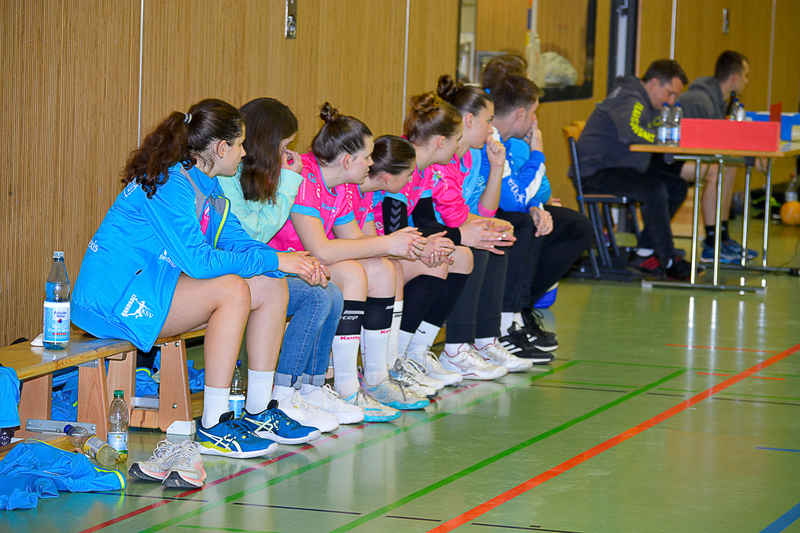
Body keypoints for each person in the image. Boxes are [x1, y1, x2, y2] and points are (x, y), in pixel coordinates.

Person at [71, 99, 328, 458]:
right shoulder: (170, 184)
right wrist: (274, 258)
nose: (243, 153)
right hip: (110, 301)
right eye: (240, 145)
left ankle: (258, 411)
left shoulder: (210, 186)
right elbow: (199, 262)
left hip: (154, 285)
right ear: (221, 148)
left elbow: (236, 241)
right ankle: (214, 424)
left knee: (271, 284)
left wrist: (286, 263)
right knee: (232, 289)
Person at [270, 103, 431, 414]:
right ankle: (346, 388)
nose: (371, 163)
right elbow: (322, 250)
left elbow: (355, 240)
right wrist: (388, 242)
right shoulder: (306, 177)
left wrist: (396, 246)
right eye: (367, 157)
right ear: (347, 161)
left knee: (382, 269)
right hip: (282, 265)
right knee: (355, 273)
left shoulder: (342, 185)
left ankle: (377, 378)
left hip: (309, 263)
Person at [218, 97, 349, 434]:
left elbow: (258, 228)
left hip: (248, 270)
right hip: (227, 277)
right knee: (315, 296)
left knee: (331, 292)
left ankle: (310, 388)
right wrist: (290, 182)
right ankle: (282, 395)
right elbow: (253, 233)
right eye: (283, 145)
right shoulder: (225, 177)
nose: (286, 153)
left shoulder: (249, 173)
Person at [379, 90, 513, 381]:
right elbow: (393, 229)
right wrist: (458, 236)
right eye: (456, 140)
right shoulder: (403, 166)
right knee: (441, 260)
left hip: (396, 243)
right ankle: (396, 359)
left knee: (460, 256)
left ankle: (417, 352)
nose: (457, 148)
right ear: (441, 142)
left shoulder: (425, 170)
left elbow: (426, 221)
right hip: (379, 247)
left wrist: (456, 238)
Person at [412, 74, 537, 372]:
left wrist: (497, 168)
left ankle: (486, 340)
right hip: (430, 229)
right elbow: (453, 217)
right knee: (481, 245)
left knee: (495, 237)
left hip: (451, 226)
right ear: (469, 120)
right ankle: (457, 346)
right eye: (488, 120)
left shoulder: (473, 157)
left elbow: (485, 210)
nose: (492, 128)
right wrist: (485, 227)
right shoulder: (445, 160)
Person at [479, 57, 590, 355]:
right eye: (534, 112)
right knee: (522, 223)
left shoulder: (504, 137)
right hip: (473, 216)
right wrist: (538, 153)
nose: (536, 120)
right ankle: (507, 320)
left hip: (506, 207)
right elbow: (516, 197)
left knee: (562, 224)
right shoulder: (493, 139)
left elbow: (533, 191)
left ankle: (518, 312)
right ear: (520, 113)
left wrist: (535, 205)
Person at [574, 59, 697, 280]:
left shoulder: (647, 102)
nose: (671, 101)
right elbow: (630, 131)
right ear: (654, 83)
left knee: (676, 186)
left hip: (618, 166)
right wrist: (661, 139)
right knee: (655, 189)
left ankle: (644, 252)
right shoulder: (630, 98)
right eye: (670, 93)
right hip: (595, 172)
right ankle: (669, 260)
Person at [676, 50, 757, 263]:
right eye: (746, 76)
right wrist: (750, 159)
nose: (747, 81)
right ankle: (712, 243)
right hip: (671, 160)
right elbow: (707, 148)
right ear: (735, 78)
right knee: (716, 169)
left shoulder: (718, 100)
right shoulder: (700, 101)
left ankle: (723, 236)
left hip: (691, 157)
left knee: (729, 167)